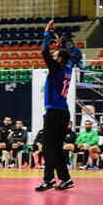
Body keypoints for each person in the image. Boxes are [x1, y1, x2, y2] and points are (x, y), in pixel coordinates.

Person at [35, 20, 74, 191]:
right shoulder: (68, 68)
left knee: (47, 146)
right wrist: (61, 45)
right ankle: (65, 179)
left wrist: (46, 34)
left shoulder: (56, 69)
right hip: (63, 113)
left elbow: (44, 52)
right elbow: (68, 54)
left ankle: (49, 179)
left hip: (54, 112)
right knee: (57, 148)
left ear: (59, 59)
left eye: (56, 54)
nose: (54, 54)